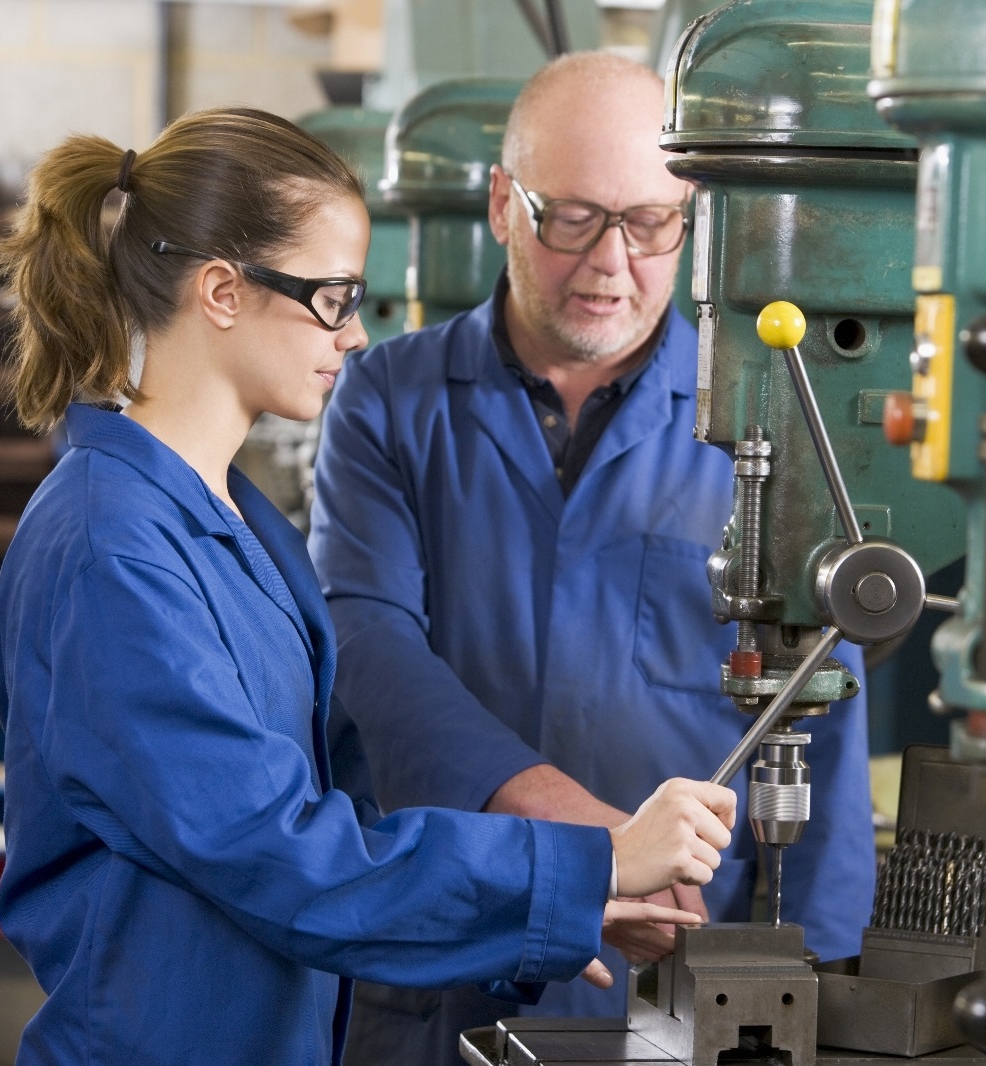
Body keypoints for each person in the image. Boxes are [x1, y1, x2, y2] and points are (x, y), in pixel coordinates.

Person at [0, 106, 739, 1066]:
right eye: (332, 296)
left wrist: (564, 908)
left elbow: (345, 821)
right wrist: (591, 862)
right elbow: (281, 856)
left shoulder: (239, 526)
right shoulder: (112, 551)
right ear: (221, 290)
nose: (352, 334)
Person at [309, 53, 876, 1065]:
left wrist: (823, 988)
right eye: (569, 217)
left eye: (650, 222)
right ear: (498, 202)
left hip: (685, 985)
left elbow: (824, 712)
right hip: (445, 961)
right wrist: (598, 847)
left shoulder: (765, 416)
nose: (612, 261)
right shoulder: (388, 402)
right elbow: (368, 647)